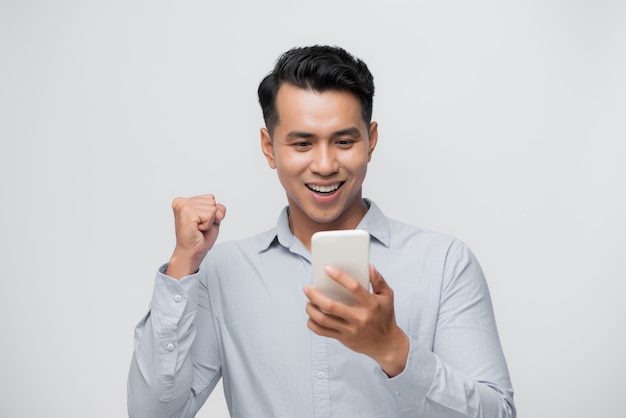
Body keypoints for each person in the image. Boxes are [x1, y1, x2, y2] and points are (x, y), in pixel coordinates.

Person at [127, 45, 516, 418]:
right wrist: (182, 265)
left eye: (344, 141)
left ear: (371, 141)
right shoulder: (223, 272)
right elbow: (154, 414)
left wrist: (394, 350)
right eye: (302, 143)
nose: (326, 164)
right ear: (269, 147)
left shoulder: (444, 262)